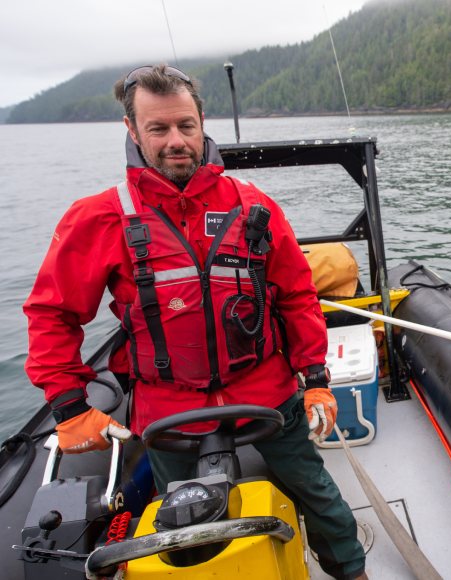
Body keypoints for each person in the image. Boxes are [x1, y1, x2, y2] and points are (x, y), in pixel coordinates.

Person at [23, 64, 367, 580]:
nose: (175, 140)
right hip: (169, 409)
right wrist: (70, 408)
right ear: (132, 130)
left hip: (265, 391)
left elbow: (296, 296)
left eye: (185, 125)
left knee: (319, 494)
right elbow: (53, 313)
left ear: (202, 122)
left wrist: (315, 381)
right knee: (179, 523)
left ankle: (351, 569)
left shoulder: (254, 206)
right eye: (158, 128)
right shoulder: (99, 218)